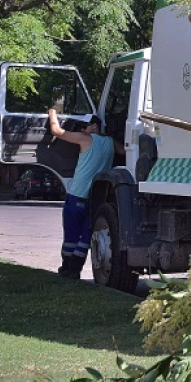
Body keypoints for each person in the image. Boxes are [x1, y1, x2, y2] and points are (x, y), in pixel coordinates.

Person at [47, 109, 115, 279]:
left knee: (71, 236)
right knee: (85, 237)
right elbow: (124, 150)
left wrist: (52, 113)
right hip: (95, 198)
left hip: (76, 195)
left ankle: (66, 268)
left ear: (95, 126)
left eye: (85, 126)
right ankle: (75, 270)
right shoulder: (111, 143)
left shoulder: (85, 139)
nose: (82, 130)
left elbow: (56, 131)